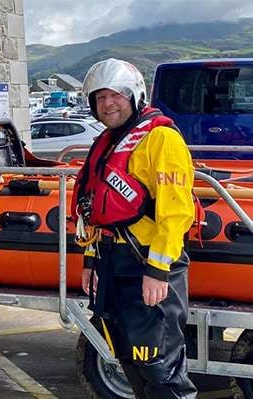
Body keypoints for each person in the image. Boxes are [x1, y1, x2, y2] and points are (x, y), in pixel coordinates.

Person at [71, 58, 198, 399]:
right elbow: (95, 212)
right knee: (128, 357)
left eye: (116, 95)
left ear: (135, 96)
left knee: (160, 367)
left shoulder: (161, 140)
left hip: (148, 265)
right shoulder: (107, 143)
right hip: (112, 262)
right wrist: (90, 260)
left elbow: (175, 212)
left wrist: (158, 270)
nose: (108, 103)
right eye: (100, 98)